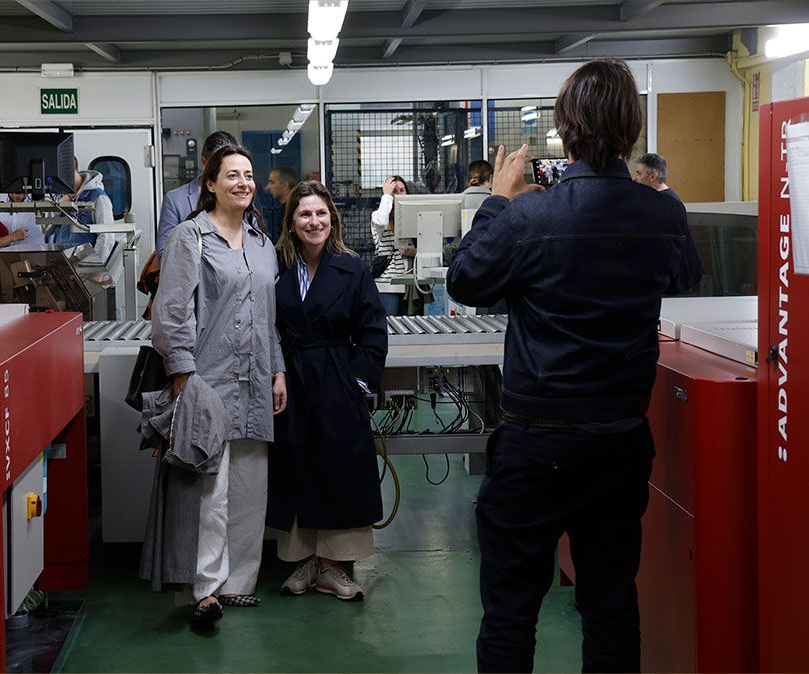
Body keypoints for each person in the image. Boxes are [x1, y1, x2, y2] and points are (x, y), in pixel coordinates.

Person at [446, 59, 702, 673]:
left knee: (512, 608)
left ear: (565, 127)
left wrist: (495, 202)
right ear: (632, 128)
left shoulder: (530, 217)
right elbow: (687, 275)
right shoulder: (662, 214)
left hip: (536, 444)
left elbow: (467, 280)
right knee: (611, 602)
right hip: (618, 442)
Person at [150, 144, 287, 627]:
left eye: (249, 175)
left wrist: (278, 370)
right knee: (210, 489)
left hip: (255, 381)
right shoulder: (191, 238)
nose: (243, 183)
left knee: (251, 486)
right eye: (232, 175)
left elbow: (269, 318)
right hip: (207, 379)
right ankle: (206, 588)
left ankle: (240, 583)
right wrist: (184, 376)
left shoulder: (261, 243)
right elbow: (171, 314)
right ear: (210, 184)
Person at [268, 181, 387, 602]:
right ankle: (304, 561)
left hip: (338, 378)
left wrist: (356, 383)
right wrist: (277, 372)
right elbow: (271, 327)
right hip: (291, 381)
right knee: (295, 464)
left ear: (331, 219)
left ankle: (335, 565)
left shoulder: (352, 268)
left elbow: (373, 332)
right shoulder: (278, 266)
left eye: (320, 214)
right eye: (304, 215)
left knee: (340, 466)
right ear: (292, 223)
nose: (314, 221)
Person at [156, 131, 239, 258]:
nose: (226, 170)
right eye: (219, 164)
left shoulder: (242, 196)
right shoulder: (176, 200)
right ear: (204, 162)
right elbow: (164, 254)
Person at [370, 175, 414, 315]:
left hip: (411, 284)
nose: (399, 195)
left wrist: (415, 252)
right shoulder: (377, 216)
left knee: (410, 329)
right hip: (387, 284)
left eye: (402, 190)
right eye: (395, 191)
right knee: (390, 327)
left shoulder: (412, 217)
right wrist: (387, 196)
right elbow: (382, 220)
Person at [51, 165, 116, 253]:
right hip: (63, 259)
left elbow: (107, 238)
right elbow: (46, 230)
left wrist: (92, 264)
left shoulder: (98, 197)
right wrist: (58, 206)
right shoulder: (62, 196)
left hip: (83, 262)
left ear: (72, 172)